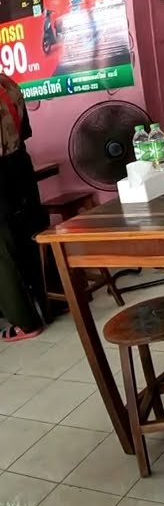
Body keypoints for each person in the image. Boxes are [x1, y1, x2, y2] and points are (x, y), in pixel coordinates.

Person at [0, 72, 50, 341]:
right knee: (32, 234)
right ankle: (54, 301)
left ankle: (25, 321)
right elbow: (25, 132)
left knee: (3, 251)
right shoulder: (7, 83)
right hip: (19, 164)